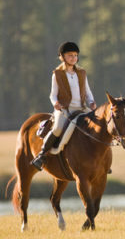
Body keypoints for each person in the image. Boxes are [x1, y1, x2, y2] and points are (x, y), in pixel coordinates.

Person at [31, 42, 96, 170]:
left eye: (76, 55)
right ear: (62, 57)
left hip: (82, 108)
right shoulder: (57, 74)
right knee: (58, 129)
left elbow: (87, 92)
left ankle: (101, 159)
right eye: (70, 55)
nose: (73, 58)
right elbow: (52, 95)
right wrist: (55, 103)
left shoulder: (82, 73)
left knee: (98, 125)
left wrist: (92, 102)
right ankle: (42, 155)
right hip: (65, 109)